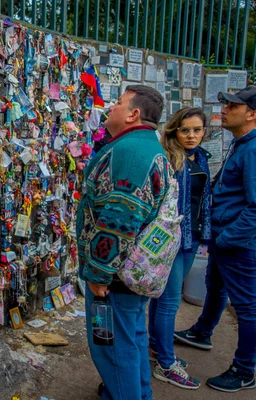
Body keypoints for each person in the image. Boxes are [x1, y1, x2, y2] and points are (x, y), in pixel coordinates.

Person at [77, 85, 171, 400]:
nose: (111, 108)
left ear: (133, 114)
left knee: (114, 349)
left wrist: (99, 275)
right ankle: (138, 393)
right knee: (131, 340)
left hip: (116, 277)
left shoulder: (131, 153)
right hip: (129, 274)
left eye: (118, 103)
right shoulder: (144, 146)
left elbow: (120, 220)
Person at [174, 85, 256, 393]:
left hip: (239, 243)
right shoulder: (242, 143)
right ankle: (203, 331)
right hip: (226, 236)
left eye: (232, 107)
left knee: (247, 306)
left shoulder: (252, 149)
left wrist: (228, 239)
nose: (223, 109)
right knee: (216, 286)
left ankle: (245, 369)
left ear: (251, 114)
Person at [147, 107, 211, 390]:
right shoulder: (169, 159)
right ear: (174, 130)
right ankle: (166, 362)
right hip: (172, 240)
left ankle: (155, 345)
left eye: (197, 130)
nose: (192, 135)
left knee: (162, 299)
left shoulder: (201, 158)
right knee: (170, 301)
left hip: (192, 237)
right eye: (185, 130)